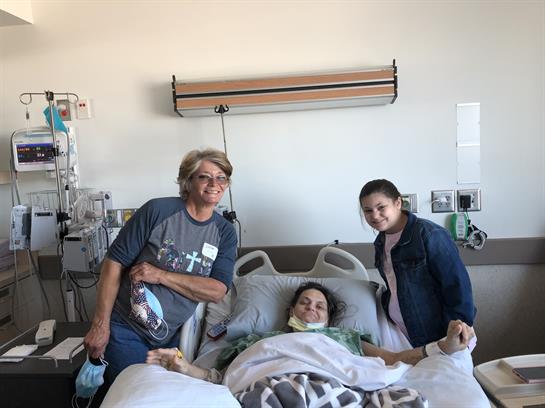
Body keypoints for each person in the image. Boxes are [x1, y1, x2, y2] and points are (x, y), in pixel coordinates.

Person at [83, 148, 238, 383]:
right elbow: (113, 263)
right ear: (188, 181)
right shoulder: (157, 211)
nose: (214, 184)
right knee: (135, 391)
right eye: (204, 176)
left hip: (169, 337)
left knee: (160, 394)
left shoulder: (224, 232)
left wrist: (161, 275)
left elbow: (216, 291)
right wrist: (100, 326)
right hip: (126, 328)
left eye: (221, 177)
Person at [146, 282, 473, 384]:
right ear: (291, 311)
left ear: (329, 317)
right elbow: (222, 378)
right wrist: (182, 365)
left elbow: (395, 359)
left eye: (320, 306)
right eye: (304, 303)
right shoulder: (258, 341)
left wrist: (442, 346)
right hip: (271, 383)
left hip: (335, 382)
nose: (311, 309)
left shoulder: (346, 339)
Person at [359, 179, 476, 348]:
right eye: (368, 210)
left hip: (437, 333)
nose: (375, 215)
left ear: (398, 203)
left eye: (381, 207)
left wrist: (457, 331)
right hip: (401, 332)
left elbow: (457, 286)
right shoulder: (381, 241)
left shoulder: (429, 235)